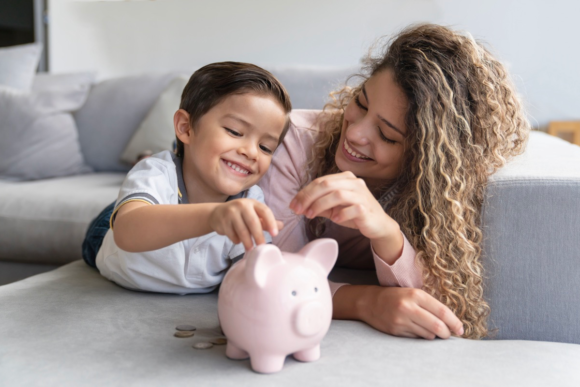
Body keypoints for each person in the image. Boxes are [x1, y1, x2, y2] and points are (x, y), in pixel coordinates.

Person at [258, 24, 530, 340]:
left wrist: (386, 232)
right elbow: (275, 277)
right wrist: (366, 302)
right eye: (360, 103)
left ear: (424, 158)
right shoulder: (292, 143)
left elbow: (449, 300)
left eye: (387, 135)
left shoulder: (444, 192)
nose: (356, 133)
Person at [84, 62, 292, 294]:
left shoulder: (251, 202)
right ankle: (143, 174)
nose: (251, 152)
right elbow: (126, 231)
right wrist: (213, 216)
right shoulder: (157, 173)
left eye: (265, 147)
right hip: (111, 234)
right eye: (234, 132)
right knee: (133, 196)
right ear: (185, 127)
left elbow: (252, 277)